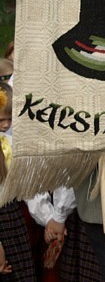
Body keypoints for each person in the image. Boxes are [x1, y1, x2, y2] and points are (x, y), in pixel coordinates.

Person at [0, 82, 37, 281]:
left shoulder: (10, 142)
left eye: (9, 119)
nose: (6, 125)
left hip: (11, 215)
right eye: (0, 120)